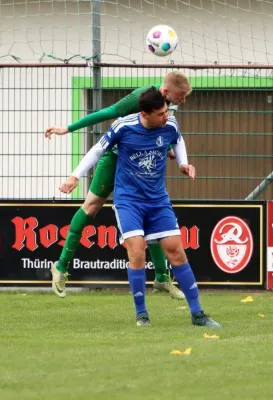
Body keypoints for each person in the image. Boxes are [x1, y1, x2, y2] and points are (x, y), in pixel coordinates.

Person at [59, 87, 221, 328]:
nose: (166, 116)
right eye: (161, 113)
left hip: (157, 200)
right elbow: (97, 150)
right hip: (129, 201)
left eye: (167, 111)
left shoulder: (170, 124)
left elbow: (177, 140)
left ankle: (198, 313)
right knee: (136, 251)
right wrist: (75, 176)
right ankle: (142, 314)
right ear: (145, 114)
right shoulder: (123, 126)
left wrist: (184, 164)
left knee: (176, 250)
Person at [45, 71, 192, 299]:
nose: (183, 100)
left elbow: (174, 135)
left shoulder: (166, 110)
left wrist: (176, 156)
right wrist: (69, 128)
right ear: (166, 92)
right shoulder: (140, 98)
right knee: (90, 207)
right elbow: (108, 113)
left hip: (141, 166)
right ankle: (61, 266)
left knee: (151, 213)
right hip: (115, 159)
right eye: (181, 96)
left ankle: (162, 278)